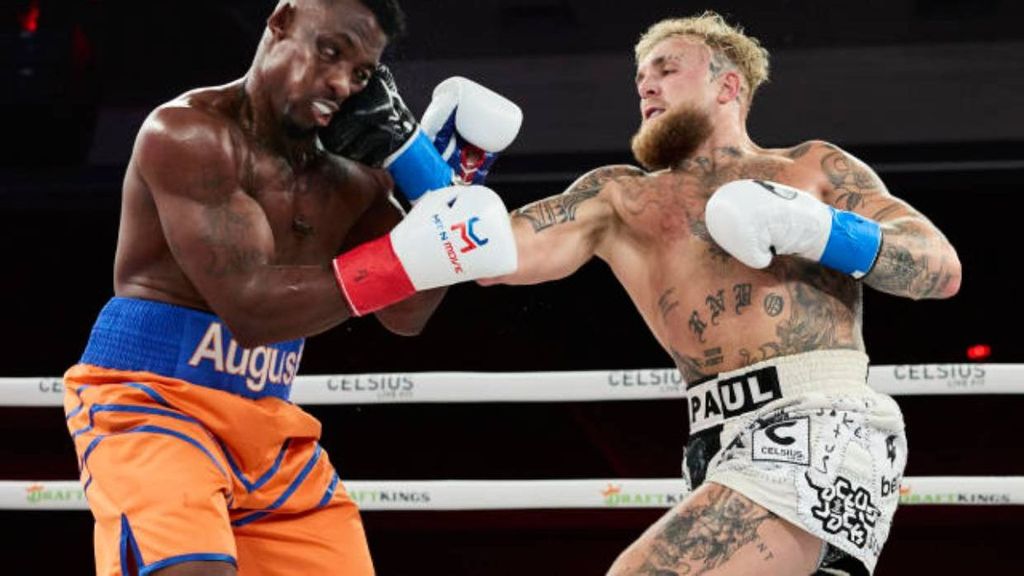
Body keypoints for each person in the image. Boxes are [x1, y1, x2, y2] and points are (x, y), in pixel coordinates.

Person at [480, 11, 961, 576]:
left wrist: (820, 229)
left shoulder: (809, 169)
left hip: (823, 422)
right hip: (712, 443)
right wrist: (433, 169)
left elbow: (939, 267)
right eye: (640, 79)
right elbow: (492, 255)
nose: (647, 86)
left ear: (727, 85)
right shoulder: (618, 199)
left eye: (667, 69)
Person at [62, 1, 517, 575]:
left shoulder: (352, 175)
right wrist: (411, 251)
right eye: (330, 51)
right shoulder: (188, 135)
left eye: (360, 74)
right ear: (281, 21)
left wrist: (439, 192)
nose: (339, 82)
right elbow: (249, 310)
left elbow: (405, 314)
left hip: (269, 421)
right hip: (153, 402)